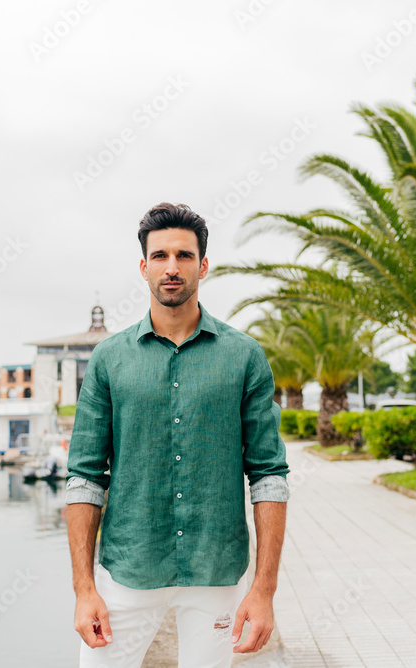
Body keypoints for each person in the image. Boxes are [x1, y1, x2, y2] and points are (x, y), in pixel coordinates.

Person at [66, 202, 290, 667]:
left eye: (184, 256)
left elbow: (269, 474)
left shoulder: (245, 357)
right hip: (127, 570)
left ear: (203, 265)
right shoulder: (109, 360)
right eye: (161, 256)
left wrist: (263, 590)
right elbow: (85, 477)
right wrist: (84, 589)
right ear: (144, 266)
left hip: (217, 570)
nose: (172, 268)